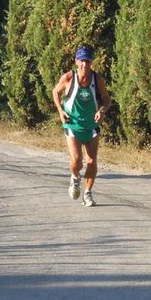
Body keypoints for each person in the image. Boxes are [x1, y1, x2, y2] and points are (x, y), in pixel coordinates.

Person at [52, 46, 111, 207]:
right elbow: (55, 92)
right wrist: (60, 111)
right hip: (73, 125)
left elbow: (107, 99)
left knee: (92, 161)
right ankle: (75, 177)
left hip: (91, 126)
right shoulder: (69, 78)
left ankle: (88, 194)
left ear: (91, 62)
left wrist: (102, 110)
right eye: (81, 61)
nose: (84, 64)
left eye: (87, 61)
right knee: (77, 160)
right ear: (76, 62)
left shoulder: (97, 79)